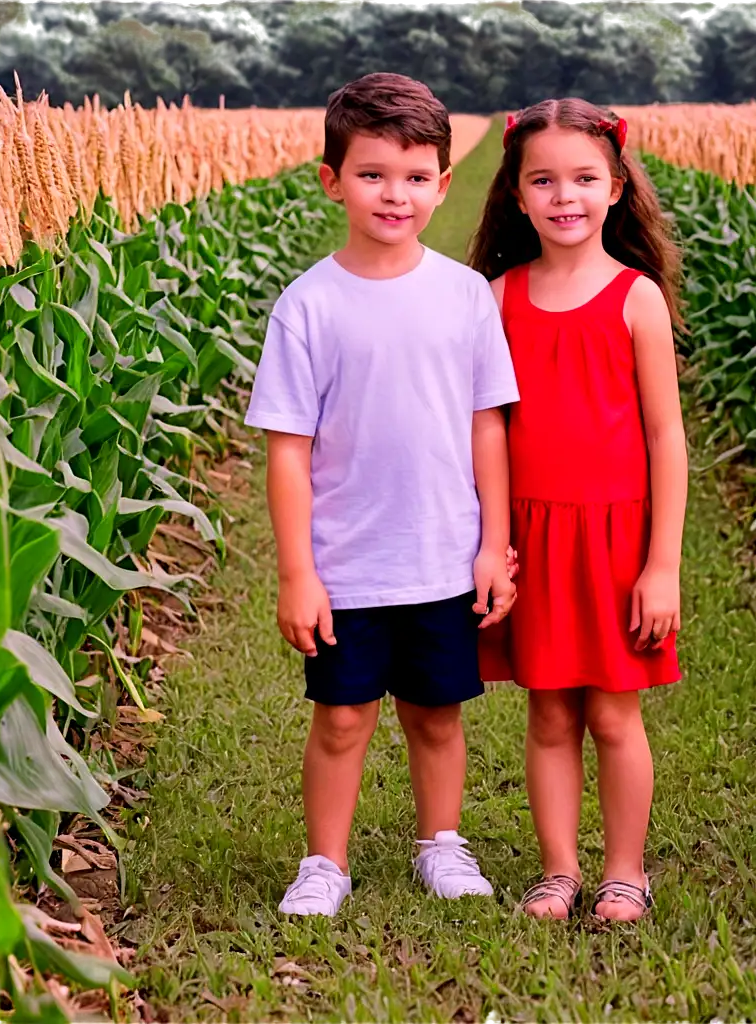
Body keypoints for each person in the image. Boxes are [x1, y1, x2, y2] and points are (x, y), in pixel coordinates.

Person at [245, 73, 520, 917]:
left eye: (413, 176)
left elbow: (486, 427)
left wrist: (491, 544)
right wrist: (300, 574)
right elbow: (288, 453)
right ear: (332, 181)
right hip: (349, 564)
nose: (393, 194)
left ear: (444, 180)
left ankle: (441, 844)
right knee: (341, 718)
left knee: (437, 715)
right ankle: (324, 863)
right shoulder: (308, 307)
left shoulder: (466, 296)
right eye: (371, 174)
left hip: (443, 554)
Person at [470, 99, 688, 923]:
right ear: (518, 195)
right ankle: (559, 870)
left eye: (584, 178)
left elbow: (667, 439)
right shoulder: (499, 298)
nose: (565, 196)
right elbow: (485, 427)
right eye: (544, 180)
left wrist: (660, 564)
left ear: (618, 185)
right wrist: (495, 540)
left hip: (615, 538)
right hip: (535, 533)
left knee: (612, 711)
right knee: (550, 708)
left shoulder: (636, 301)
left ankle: (625, 871)